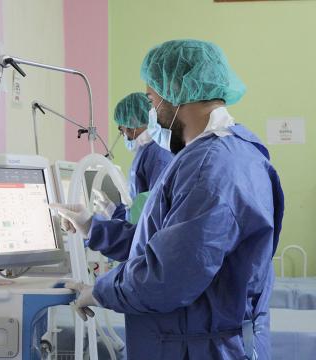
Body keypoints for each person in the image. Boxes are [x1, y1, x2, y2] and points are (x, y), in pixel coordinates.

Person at [55, 39, 284, 359]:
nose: (152, 113)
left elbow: (167, 278)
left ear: (175, 93)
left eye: (151, 99)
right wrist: (93, 227)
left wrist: (100, 291)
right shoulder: (234, 150)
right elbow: (169, 240)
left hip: (200, 347)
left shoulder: (210, 168)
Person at [94, 92, 173, 223]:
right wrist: (112, 211)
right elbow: (135, 210)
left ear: (130, 127)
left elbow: (153, 213)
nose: (123, 134)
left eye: (121, 129)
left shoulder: (157, 153)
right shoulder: (148, 151)